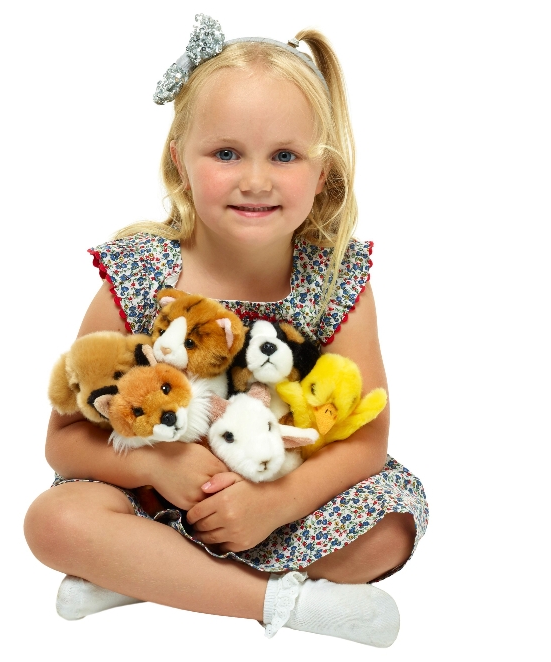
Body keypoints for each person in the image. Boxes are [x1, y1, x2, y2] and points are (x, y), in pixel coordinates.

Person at [24, 14, 428, 647]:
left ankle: (146, 573)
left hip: (277, 493)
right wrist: (164, 466)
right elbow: (65, 441)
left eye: (286, 156)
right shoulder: (140, 274)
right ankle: (281, 602)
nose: (257, 180)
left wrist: (274, 503)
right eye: (227, 153)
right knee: (54, 521)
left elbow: (368, 441)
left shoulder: (336, 276)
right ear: (179, 161)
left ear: (322, 173)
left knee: (390, 530)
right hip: (152, 498)